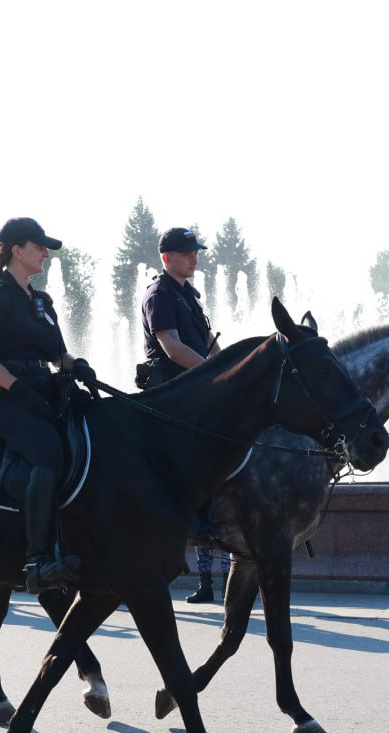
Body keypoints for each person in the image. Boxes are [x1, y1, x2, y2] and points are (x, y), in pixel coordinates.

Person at [0, 217, 96, 594]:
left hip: (45, 390)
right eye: (39, 248)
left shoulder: (40, 300)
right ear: (17, 251)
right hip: (7, 396)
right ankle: (39, 558)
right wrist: (18, 389)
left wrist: (77, 365)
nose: (46, 254)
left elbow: (57, 354)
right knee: (48, 454)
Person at [139, 226, 228, 604]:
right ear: (166, 257)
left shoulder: (189, 294)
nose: (195, 258)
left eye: (196, 252)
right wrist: (216, 374)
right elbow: (172, 347)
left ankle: (208, 577)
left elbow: (209, 343)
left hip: (195, 394)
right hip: (172, 397)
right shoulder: (159, 294)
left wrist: (234, 369)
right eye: (186, 252)